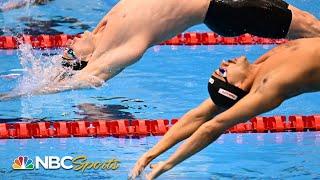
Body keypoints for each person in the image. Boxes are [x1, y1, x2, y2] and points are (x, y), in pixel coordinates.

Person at [129, 37, 320, 179]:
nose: (223, 63)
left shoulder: (258, 66)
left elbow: (199, 115)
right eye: (222, 72)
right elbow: (213, 126)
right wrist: (168, 164)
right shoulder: (269, 86)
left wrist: (150, 154)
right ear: (238, 85)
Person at [45, 0, 320, 93]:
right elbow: (92, 76)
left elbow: (68, 70)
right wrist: (36, 91)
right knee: (310, 27)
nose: (69, 43)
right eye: (71, 52)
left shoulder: (103, 26)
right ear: (88, 57)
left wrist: (58, 70)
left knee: (309, 26)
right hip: (225, 7)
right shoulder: (124, 47)